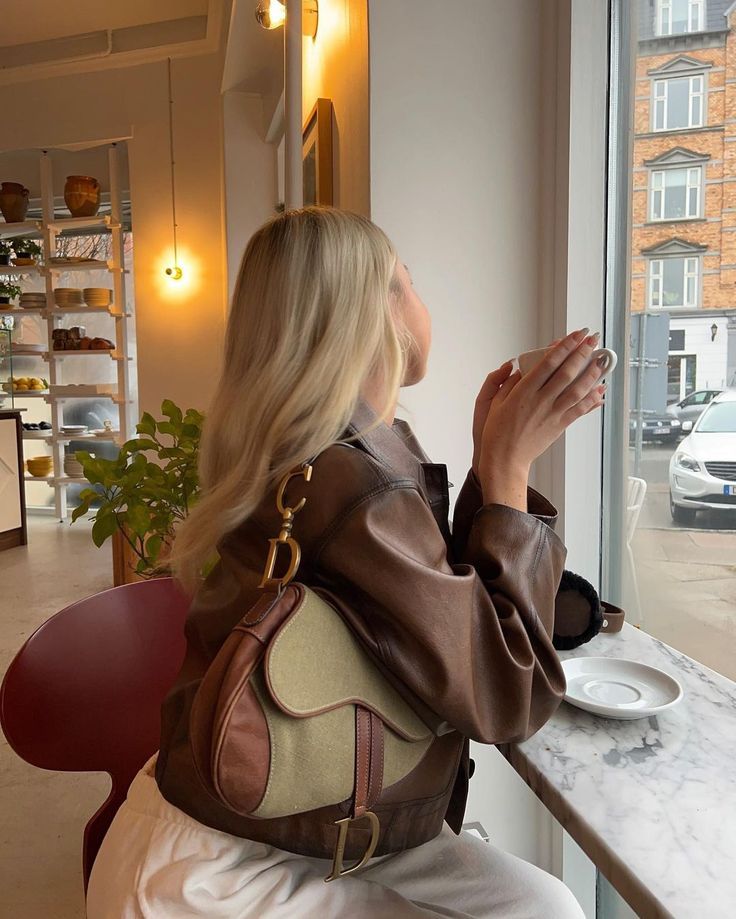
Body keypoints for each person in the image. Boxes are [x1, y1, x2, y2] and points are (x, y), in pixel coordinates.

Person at [86, 207, 605, 918]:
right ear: (375, 311)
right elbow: (503, 697)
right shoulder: (354, 478)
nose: (424, 302)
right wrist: (509, 464)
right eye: (409, 281)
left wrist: (492, 465)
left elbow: (440, 615)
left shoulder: (323, 449)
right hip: (226, 871)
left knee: (543, 905)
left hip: (282, 820)